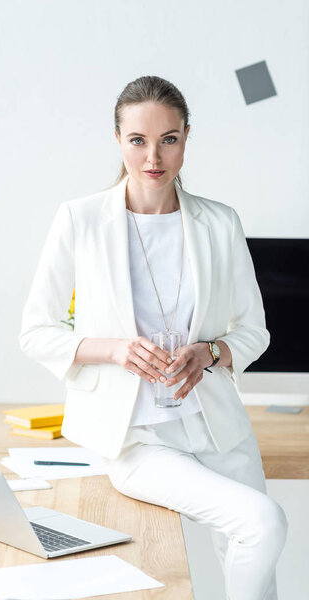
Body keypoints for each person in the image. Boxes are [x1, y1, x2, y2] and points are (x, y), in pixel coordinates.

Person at [19, 75, 288, 600]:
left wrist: (210, 352)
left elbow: (254, 331)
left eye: (169, 138)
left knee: (255, 555)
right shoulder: (81, 220)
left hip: (221, 431)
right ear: (118, 140)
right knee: (265, 522)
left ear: (187, 137)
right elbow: (35, 332)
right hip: (140, 439)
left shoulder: (220, 222)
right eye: (138, 140)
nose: (153, 156)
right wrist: (116, 350)